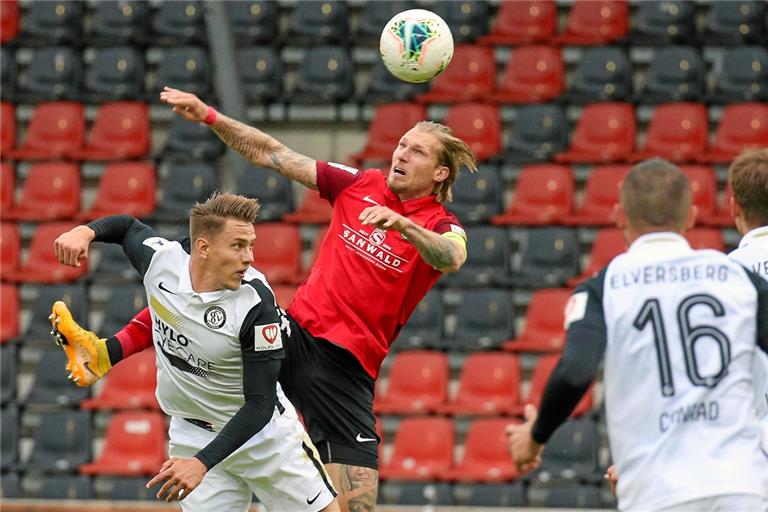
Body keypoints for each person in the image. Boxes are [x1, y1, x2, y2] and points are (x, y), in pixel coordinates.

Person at [52, 86, 477, 511]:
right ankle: (106, 351)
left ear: (440, 173)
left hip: (345, 369)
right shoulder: (360, 184)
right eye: (401, 144)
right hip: (294, 333)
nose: (401, 155)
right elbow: (272, 153)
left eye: (417, 151)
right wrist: (209, 117)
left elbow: (453, 256)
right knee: (208, 296)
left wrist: (403, 226)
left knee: (356, 506)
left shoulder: (441, 224)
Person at [506, 159, 768, 511]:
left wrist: (534, 438)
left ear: (619, 216)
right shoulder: (735, 277)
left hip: (659, 488)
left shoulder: (603, 287)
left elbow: (574, 372)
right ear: (690, 217)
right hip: (743, 486)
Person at [52, 193, 339, 512]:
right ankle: (103, 354)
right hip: (193, 434)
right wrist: (85, 232)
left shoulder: (255, 304)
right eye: (238, 246)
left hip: (263, 439)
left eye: (251, 244)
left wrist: (201, 464)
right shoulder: (163, 262)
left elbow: (260, 404)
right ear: (203, 247)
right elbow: (126, 226)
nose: (249, 257)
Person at [604, 148, 768, 495]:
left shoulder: (723, 279)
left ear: (733, 204)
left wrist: (645, 460)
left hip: (743, 455)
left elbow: (687, 373)